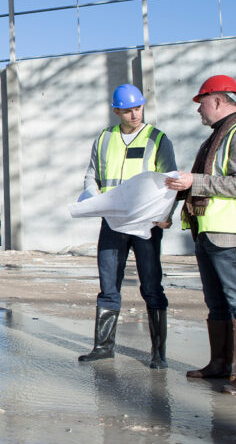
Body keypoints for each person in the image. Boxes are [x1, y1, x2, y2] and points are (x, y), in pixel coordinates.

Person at [165, 75, 236, 395]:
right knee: (217, 304)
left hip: (232, 234)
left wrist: (193, 182)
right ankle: (221, 365)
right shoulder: (214, 139)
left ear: (218, 101)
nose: (199, 111)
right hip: (208, 230)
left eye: (201, 104)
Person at [79, 83, 176, 368]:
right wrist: (93, 198)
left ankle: (158, 353)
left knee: (151, 286)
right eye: (128, 110)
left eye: (138, 108)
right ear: (116, 110)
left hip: (146, 223)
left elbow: (170, 180)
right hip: (113, 221)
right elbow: (92, 175)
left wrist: (166, 214)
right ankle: (103, 346)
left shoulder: (157, 138)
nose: (135, 114)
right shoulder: (105, 138)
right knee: (108, 286)